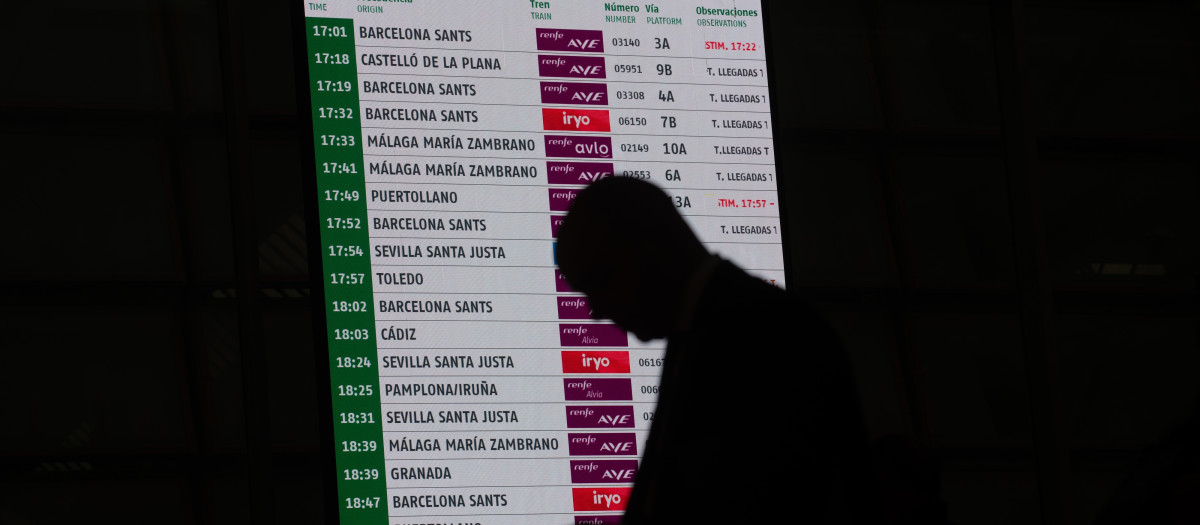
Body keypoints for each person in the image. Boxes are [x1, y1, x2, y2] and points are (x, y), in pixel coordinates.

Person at [555, 177, 877, 524]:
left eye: (600, 281)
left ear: (652, 244)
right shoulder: (702, 329)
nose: (598, 310)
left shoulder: (764, 334)